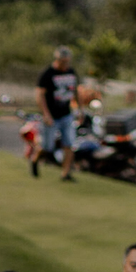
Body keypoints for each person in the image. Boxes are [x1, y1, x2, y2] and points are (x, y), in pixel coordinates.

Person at [35, 43, 80, 179]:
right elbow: (40, 95)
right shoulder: (48, 74)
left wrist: (80, 108)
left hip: (66, 115)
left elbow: (75, 90)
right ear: (57, 60)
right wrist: (46, 114)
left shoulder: (71, 72)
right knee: (47, 147)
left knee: (70, 144)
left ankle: (65, 173)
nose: (66, 64)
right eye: (63, 61)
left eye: (67, 61)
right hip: (52, 116)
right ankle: (34, 159)